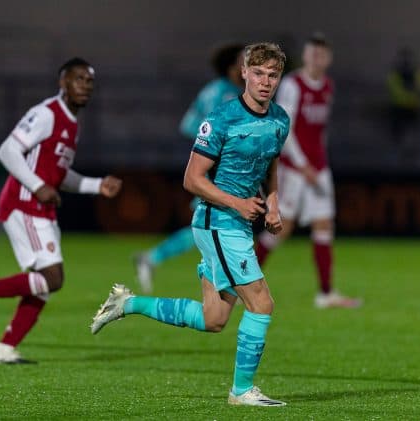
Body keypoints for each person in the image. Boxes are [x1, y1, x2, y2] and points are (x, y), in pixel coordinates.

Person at [91, 43, 290, 407]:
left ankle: (127, 303)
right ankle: (242, 391)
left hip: (236, 224)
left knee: (213, 319)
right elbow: (192, 180)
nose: (265, 82)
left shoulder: (279, 119)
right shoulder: (221, 119)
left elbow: (270, 164)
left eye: (272, 75)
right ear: (243, 73)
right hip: (217, 221)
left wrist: (273, 205)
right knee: (261, 304)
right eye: (258, 73)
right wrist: (238, 203)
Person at [0, 57, 122, 364]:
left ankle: (4, 349)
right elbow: (8, 150)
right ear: (63, 82)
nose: (85, 86)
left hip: (41, 207)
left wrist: (97, 186)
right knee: (52, 278)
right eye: (78, 79)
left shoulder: (72, 124)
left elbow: (60, 175)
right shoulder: (46, 113)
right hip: (24, 202)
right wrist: (37, 185)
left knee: (44, 283)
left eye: (90, 81)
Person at [254, 33, 361, 309]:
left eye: (322, 54)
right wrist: (302, 165)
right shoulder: (293, 85)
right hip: (295, 170)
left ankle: (325, 294)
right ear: (305, 56)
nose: (317, 58)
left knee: (324, 225)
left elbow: (319, 130)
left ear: (328, 59)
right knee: (281, 228)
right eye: (313, 53)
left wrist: (319, 164)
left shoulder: (327, 86)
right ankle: (243, 283)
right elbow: (285, 129)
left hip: (318, 169)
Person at [134, 43, 245, 293]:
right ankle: (220, 281)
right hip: (217, 168)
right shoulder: (228, 94)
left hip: (205, 163)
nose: (246, 65)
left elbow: (188, 125)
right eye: (242, 60)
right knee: (219, 222)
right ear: (231, 66)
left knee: (209, 223)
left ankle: (153, 258)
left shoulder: (210, 90)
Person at [387, 47, 420, 146]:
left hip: (417, 109)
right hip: (400, 109)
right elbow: (397, 95)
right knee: (393, 117)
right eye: (404, 62)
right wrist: (415, 91)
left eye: (408, 62)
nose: (406, 65)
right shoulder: (393, 77)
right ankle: (396, 141)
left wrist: (417, 93)